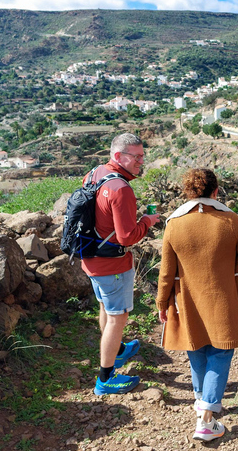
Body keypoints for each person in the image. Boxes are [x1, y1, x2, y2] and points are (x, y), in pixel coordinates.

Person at [157, 169, 238, 442]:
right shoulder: (229, 219)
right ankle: (206, 418)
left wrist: (162, 302)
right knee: (221, 352)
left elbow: (166, 273)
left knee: (196, 348)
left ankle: (201, 400)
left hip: (187, 302)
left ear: (188, 193)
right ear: (216, 191)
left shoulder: (173, 224)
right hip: (222, 300)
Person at [81, 133, 161, 395]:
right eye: (136, 157)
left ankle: (115, 351)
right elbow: (127, 237)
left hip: (90, 256)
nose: (141, 161)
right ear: (118, 157)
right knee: (118, 318)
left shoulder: (96, 173)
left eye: (142, 155)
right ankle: (105, 379)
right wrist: (148, 221)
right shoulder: (121, 189)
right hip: (112, 266)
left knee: (105, 306)